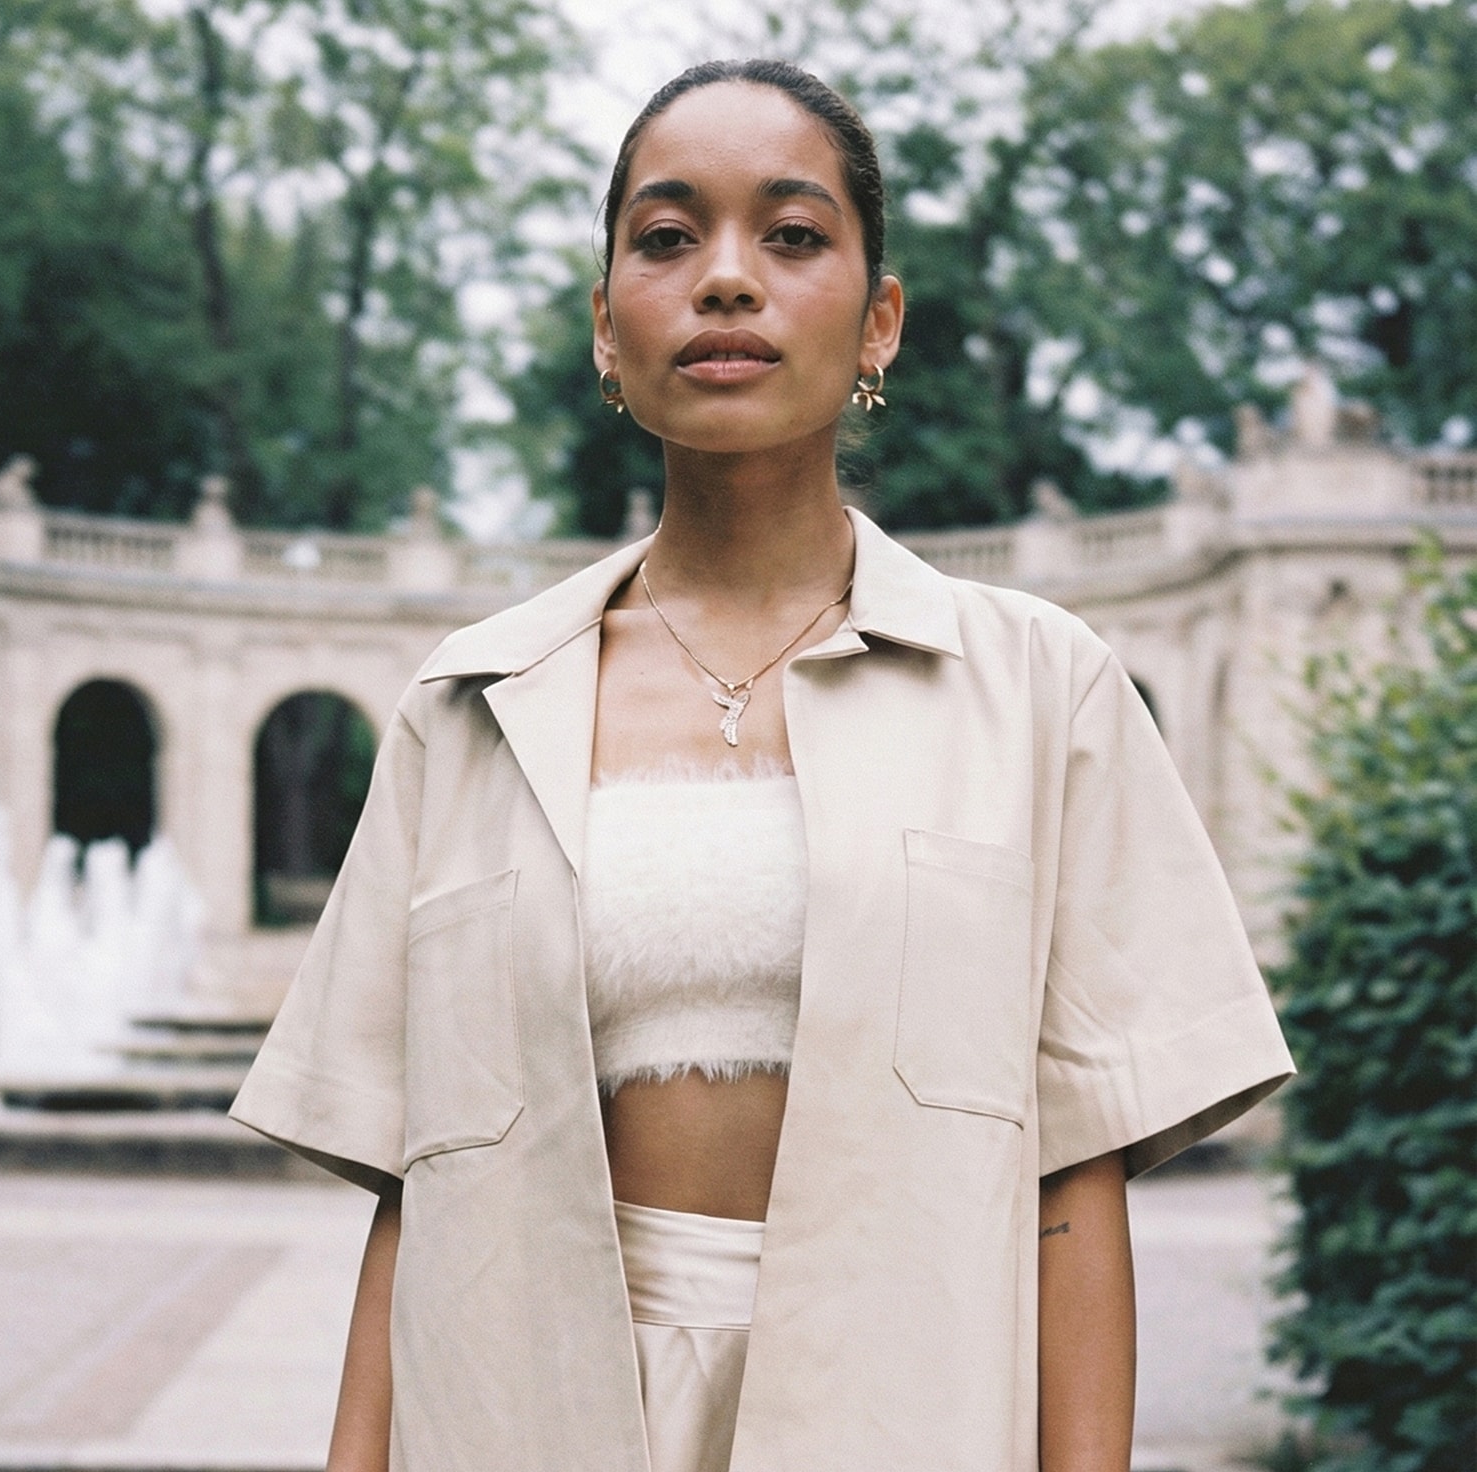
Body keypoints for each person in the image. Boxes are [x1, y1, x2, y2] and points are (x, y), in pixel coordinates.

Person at [230, 58, 1294, 1472]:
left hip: (904, 1407)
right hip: (524, 1412)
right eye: (668, 239)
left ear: (880, 321)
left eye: (793, 237)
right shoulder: (473, 705)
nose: (727, 279)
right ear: (608, 328)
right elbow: (422, 1188)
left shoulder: (1044, 691)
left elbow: (1070, 1184)